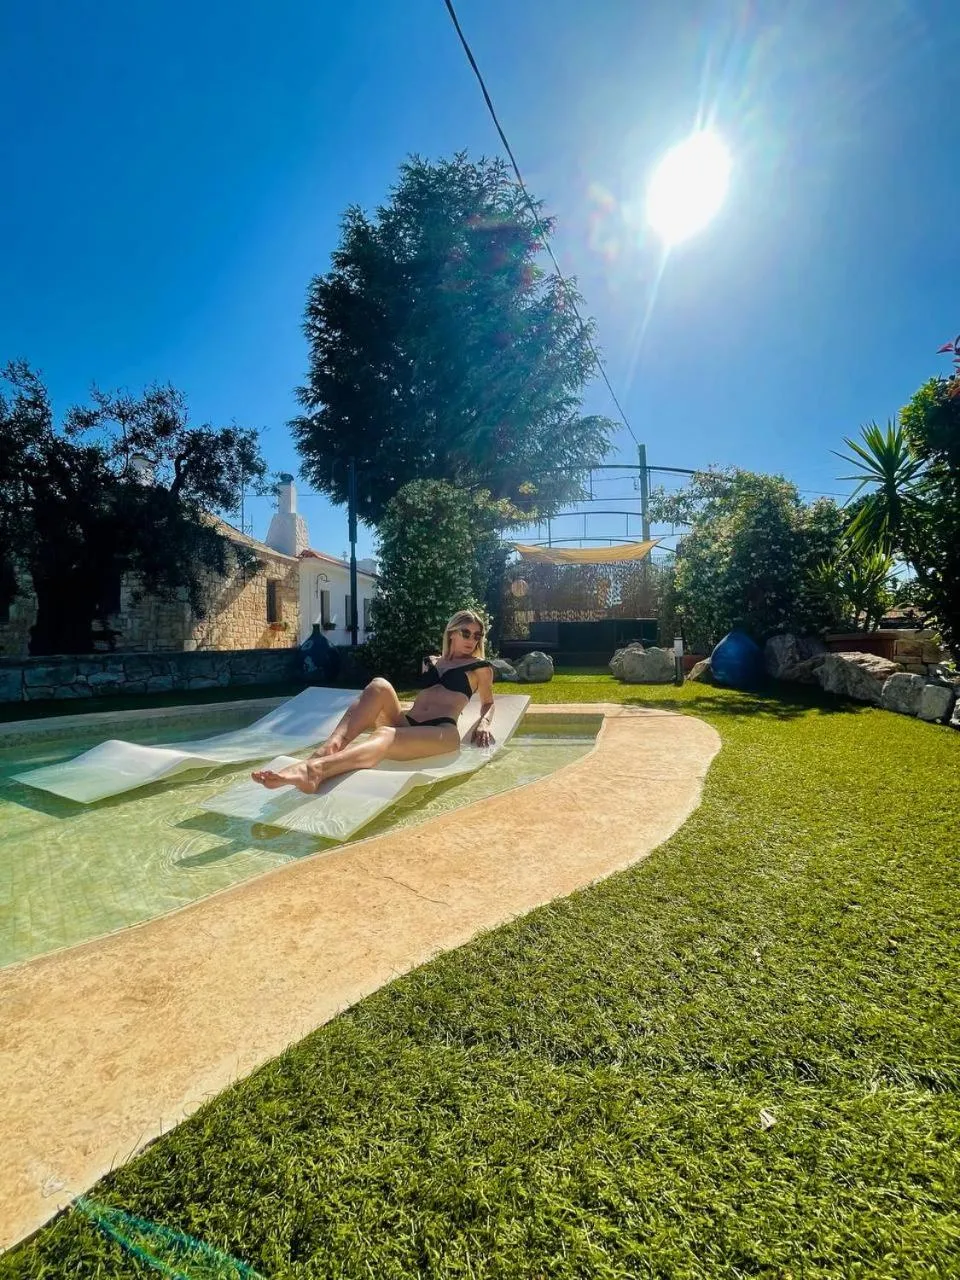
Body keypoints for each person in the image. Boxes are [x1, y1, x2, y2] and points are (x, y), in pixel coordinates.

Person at [251, 609, 495, 794]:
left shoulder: (480, 668)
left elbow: (488, 702)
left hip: (441, 733)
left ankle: (314, 771)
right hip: (408, 724)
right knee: (379, 685)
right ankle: (329, 748)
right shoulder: (429, 662)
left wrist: (484, 723)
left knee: (385, 734)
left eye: (477, 636)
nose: (472, 640)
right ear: (452, 633)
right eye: (466, 633)